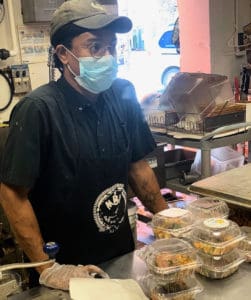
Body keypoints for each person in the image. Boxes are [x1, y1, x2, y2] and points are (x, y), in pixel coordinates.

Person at [0, 0, 167, 291]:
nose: (107, 56)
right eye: (95, 47)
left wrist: (168, 224)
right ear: (63, 54)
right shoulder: (38, 110)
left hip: (119, 256)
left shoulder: (123, 94)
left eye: (111, 46)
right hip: (65, 270)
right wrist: (48, 268)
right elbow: (12, 194)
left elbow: (138, 167)